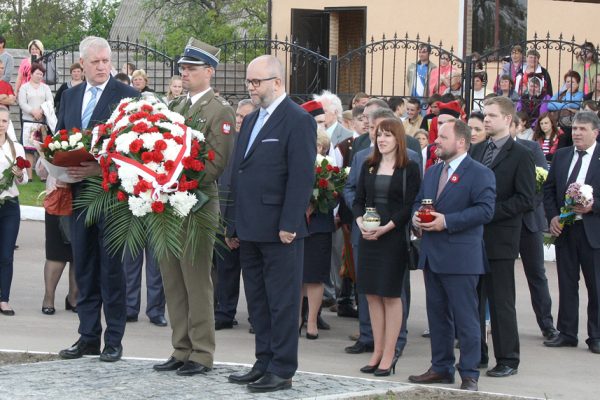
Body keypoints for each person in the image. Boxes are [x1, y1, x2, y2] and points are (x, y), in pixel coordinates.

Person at [225, 55, 316, 393]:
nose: (251, 87)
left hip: (281, 228)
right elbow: (238, 172)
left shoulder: (297, 120)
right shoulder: (250, 120)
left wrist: (290, 222)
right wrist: (231, 223)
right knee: (259, 301)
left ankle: (282, 368)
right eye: (249, 81)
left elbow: (302, 176)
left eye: (257, 82)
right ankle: (263, 361)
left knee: (282, 302)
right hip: (249, 225)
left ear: (277, 82)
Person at [152, 38, 235, 376]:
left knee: (197, 281)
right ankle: (180, 347)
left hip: (197, 205)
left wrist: (176, 178)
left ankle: (201, 352)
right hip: (170, 205)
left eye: (191, 68)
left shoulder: (220, 110)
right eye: (182, 68)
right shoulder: (177, 106)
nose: (184, 72)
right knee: (172, 280)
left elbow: (215, 162)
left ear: (209, 72)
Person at [57, 36, 139, 362]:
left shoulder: (128, 97)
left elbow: (137, 152)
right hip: (78, 198)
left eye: (106, 60)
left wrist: (99, 168)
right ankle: (88, 336)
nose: (103, 66)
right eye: (96, 62)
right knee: (85, 269)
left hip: (112, 198)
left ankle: (114, 340)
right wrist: (52, 165)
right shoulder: (70, 96)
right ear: (83, 65)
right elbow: (63, 137)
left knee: (112, 271)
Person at [408, 119, 495, 392]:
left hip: (461, 258)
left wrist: (446, 221)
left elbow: (485, 211)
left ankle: (469, 373)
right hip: (432, 255)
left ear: (461, 142)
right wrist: (415, 218)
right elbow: (419, 200)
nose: (436, 141)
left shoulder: (480, 173)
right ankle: (440, 367)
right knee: (437, 316)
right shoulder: (433, 172)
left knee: (466, 318)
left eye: (443, 137)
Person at [470, 96, 535, 377]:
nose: (486, 120)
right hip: (472, 238)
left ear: (508, 119)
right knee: (473, 298)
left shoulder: (521, 155)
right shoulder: (477, 149)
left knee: (500, 301)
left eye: (492, 116)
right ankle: (477, 354)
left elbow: (525, 199)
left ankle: (508, 358)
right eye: (485, 115)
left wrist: (488, 212)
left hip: (501, 238)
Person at [353, 117, 420, 376]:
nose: (381, 139)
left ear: (398, 139)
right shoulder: (369, 166)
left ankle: (390, 353)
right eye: (379, 134)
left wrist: (385, 228)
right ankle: (377, 350)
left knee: (391, 296)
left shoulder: (409, 168)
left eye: (387, 135)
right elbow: (359, 199)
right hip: (368, 236)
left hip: (391, 238)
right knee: (371, 294)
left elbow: (407, 206)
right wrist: (361, 223)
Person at [543, 111, 600, 355]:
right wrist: (553, 216)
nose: (576, 133)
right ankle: (566, 333)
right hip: (565, 230)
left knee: (596, 286)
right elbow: (549, 190)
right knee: (567, 284)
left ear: (595, 132)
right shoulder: (562, 156)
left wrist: (593, 206)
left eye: (582, 129)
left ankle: (596, 336)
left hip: (592, 231)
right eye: (575, 129)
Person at [509, 119, 559, 340]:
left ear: (518, 126)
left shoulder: (531, 148)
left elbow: (542, 183)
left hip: (528, 220)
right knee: (499, 276)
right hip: (503, 224)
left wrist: (522, 205)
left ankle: (547, 325)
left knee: (536, 274)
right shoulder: (487, 149)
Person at [214, 98, 256, 332]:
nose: (239, 120)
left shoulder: (256, 145)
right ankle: (225, 313)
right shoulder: (226, 143)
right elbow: (222, 183)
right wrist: (226, 225)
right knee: (225, 272)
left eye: (244, 117)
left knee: (252, 275)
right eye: (237, 116)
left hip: (249, 221)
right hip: (224, 216)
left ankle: (255, 317)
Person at [300, 128, 336, 340]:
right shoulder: (295, 161)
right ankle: (296, 318)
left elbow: (335, 194)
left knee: (315, 276)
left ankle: (312, 320)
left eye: (318, 146)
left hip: (319, 225)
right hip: (296, 224)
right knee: (296, 276)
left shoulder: (329, 166)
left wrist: (317, 203)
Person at [35, 160, 78, 315]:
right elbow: (40, 172)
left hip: (83, 199)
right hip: (57, 199)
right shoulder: (57, 139)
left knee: (78, 254)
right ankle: (49, 297)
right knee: (56, 253)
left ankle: (74, 297)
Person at [0, 106, 29, 316]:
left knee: (6, 255)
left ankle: (4, 299)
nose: (1, 124)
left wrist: (19, 174)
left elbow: (25, 179)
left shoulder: (16, 148)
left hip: (9, 205)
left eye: (4, 121)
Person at [18, 62, 52, 177]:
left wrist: (41, 111)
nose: (39, 76)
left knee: (42, 149)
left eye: (41, 74)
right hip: (28, 121)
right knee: (29, 149)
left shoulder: (46, 87)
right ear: (31, 74)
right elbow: (22, 103)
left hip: (41, 122)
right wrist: (33, 111)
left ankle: (43, 175)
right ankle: (29, 176)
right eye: (37, 73)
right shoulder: (24, 87)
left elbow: (50, 101)